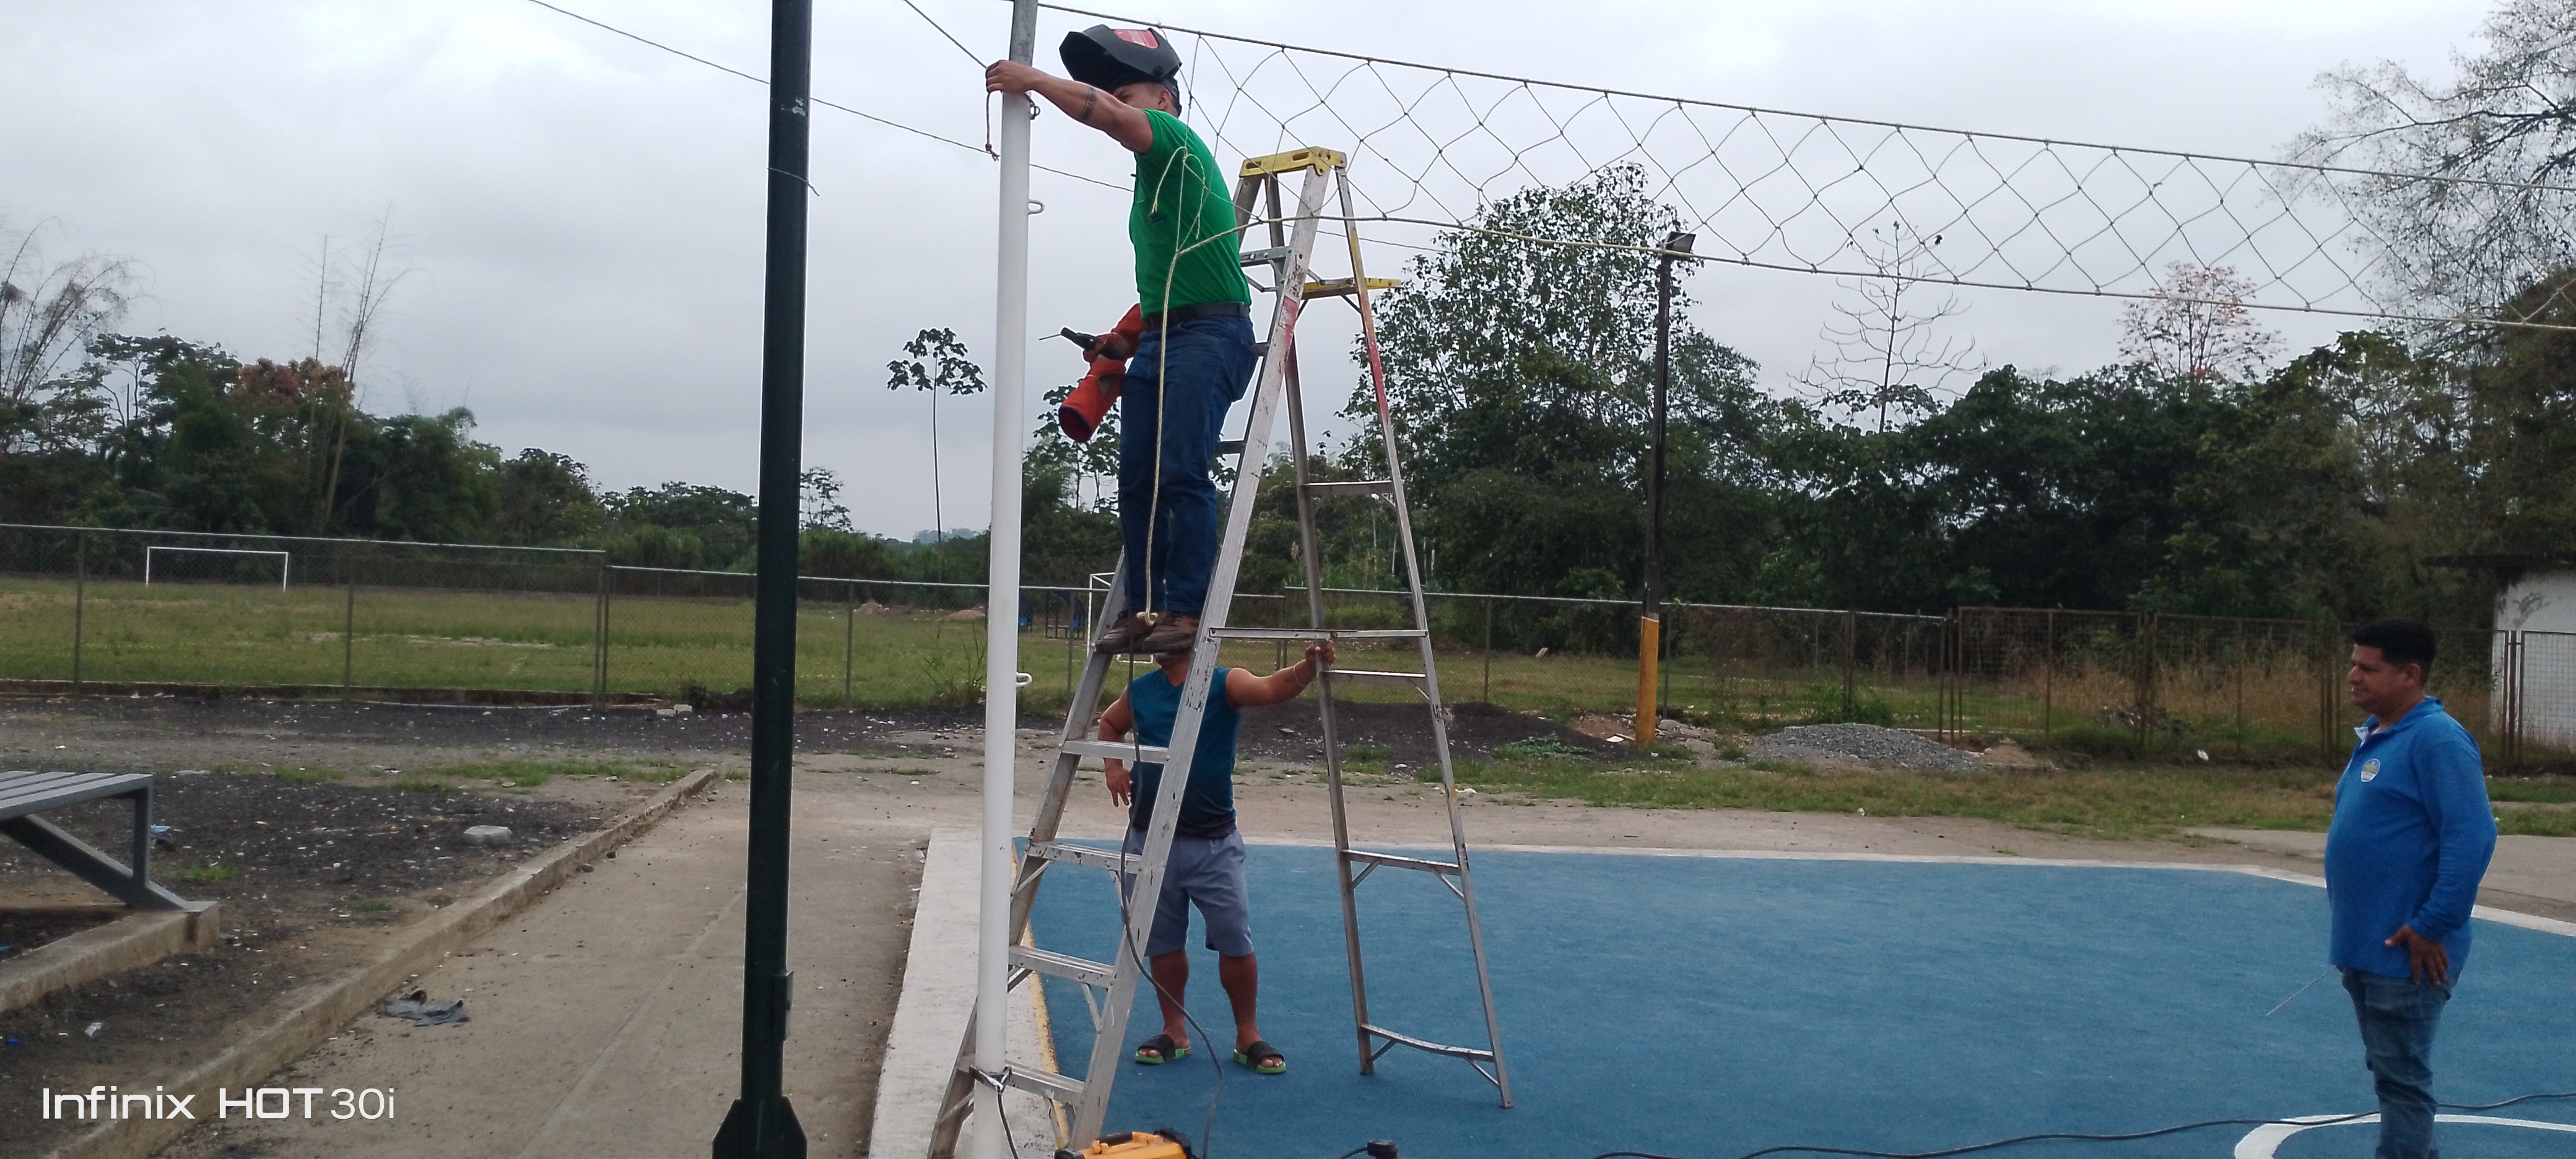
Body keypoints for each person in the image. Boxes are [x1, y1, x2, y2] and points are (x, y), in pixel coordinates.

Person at [986, 26, 1258, 657]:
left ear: (1163, 100)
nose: (1117, 103)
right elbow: (1167, 286)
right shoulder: (1152, 184)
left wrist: (1034, 80)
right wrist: (1123, 340)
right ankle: (1143, 607)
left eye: (1126, 94)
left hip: (1211, 334)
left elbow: (1107, 116)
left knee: (1181, 472)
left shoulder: (1176, 142)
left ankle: (1185, 609)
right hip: (1167, 334)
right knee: (1137, 479)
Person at [1094, 637, 1336, 1075]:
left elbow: (1271, 689)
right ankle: (1174, 1031)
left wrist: (1307, 668)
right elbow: (1110, 724)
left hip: (1212, 844)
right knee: (1163, 942)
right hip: (1150, 839)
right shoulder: (1141, 689)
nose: (1159, 635)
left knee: (1234, 939)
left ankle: (1248, 1035)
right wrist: (1113, 767)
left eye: (1172, 624)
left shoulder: (1225, 682)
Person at [2325, 619, 2496, 1159]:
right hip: (2368, 946)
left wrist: (2432, 924)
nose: (2353, 676)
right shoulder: (2381, 735)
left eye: (2368, 668)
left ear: (2410, 675)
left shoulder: (2436, 739)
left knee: (2402, 1082)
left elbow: (2472, 836)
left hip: (2408, 950)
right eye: (2354, 664)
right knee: (2391, 1074)